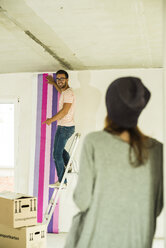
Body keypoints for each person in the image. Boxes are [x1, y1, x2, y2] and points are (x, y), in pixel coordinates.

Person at [64, 77, 163, 248]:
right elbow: (157, 206)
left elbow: (82, 200)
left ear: (110, 106)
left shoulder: (94, 142)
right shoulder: (158, 150)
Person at [43, 70, 75, 187]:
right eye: (58, 79)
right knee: (58, 151)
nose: (60, 81)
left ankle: (62, 182)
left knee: (56, 155)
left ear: (67, 79)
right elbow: (61, 91)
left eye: (62, 79)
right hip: (64, 127)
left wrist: (51, 120)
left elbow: (64, 111)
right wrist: (53, 83)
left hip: (65, 128)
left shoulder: (68, 93)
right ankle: (69, 163)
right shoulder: (65, 92)